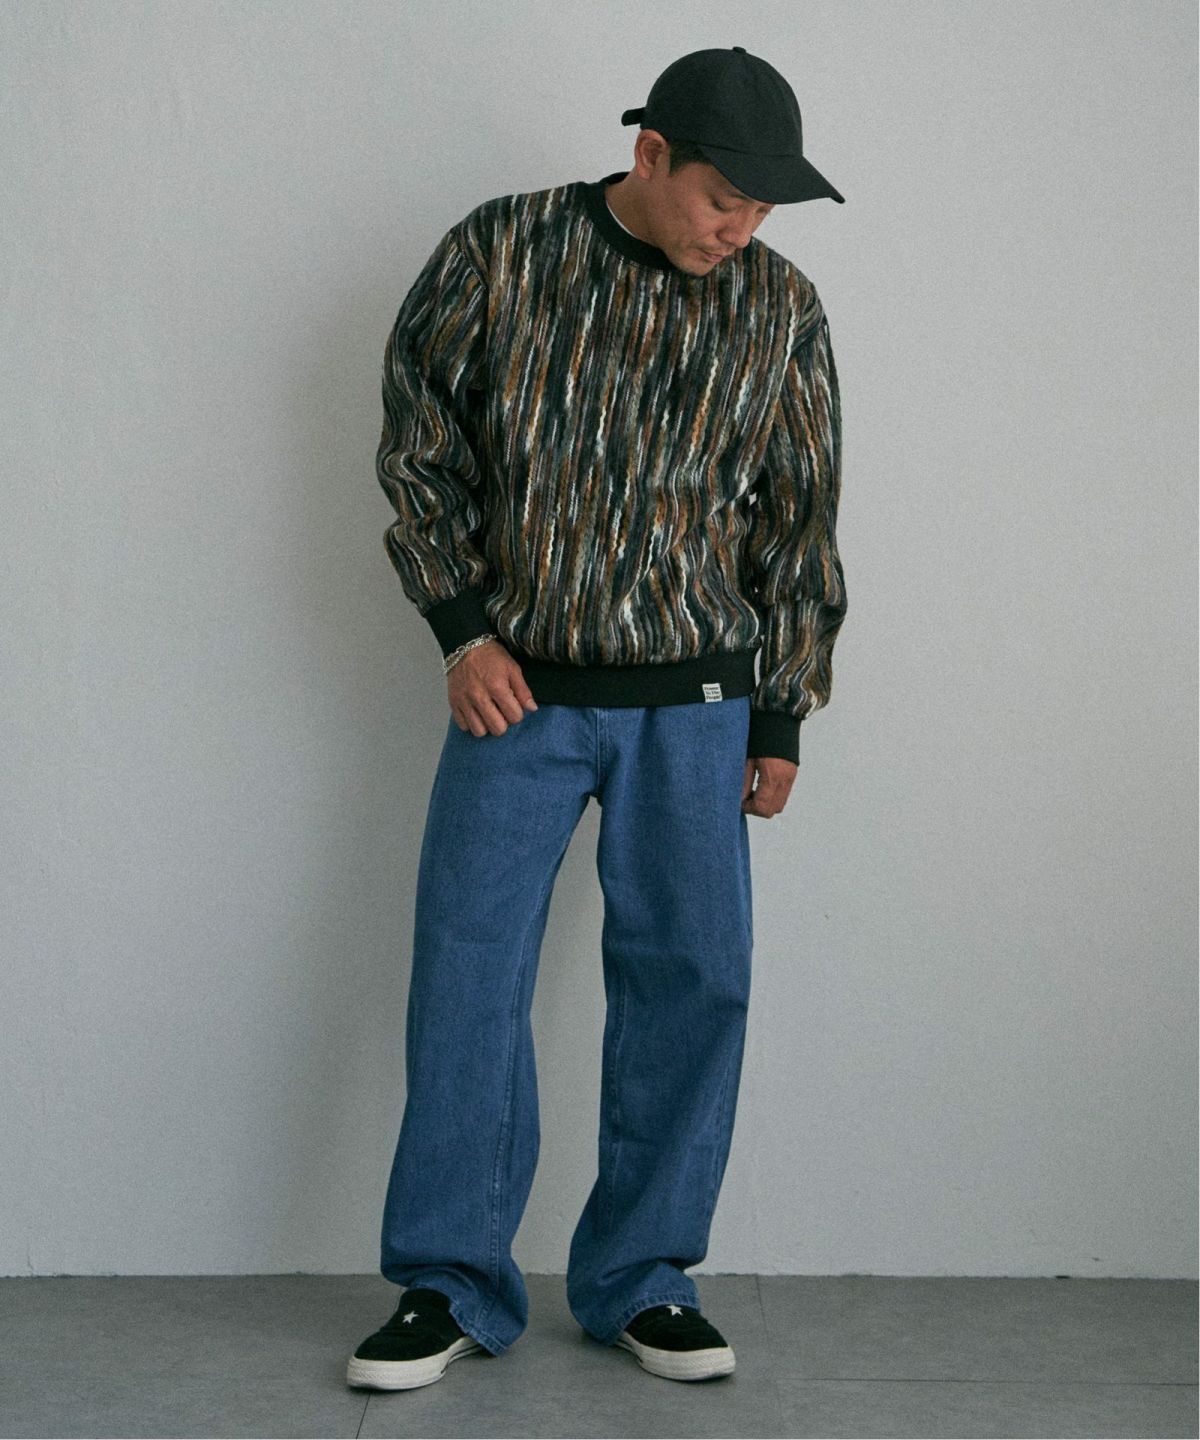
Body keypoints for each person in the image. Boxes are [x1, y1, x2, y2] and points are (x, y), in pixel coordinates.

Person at [347, 45, 848, 1392]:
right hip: (518, 694)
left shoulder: (781, 307)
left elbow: (800, 512)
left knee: (692, 982)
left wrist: (783, 711)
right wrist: (460, 627)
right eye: (725, 197)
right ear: (650, 155)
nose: (742, 227)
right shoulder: (501, 253)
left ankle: (644, 1278)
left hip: (698, 704)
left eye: (765, 207)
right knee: (467, 978)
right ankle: (450, 1283)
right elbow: (417, 443)